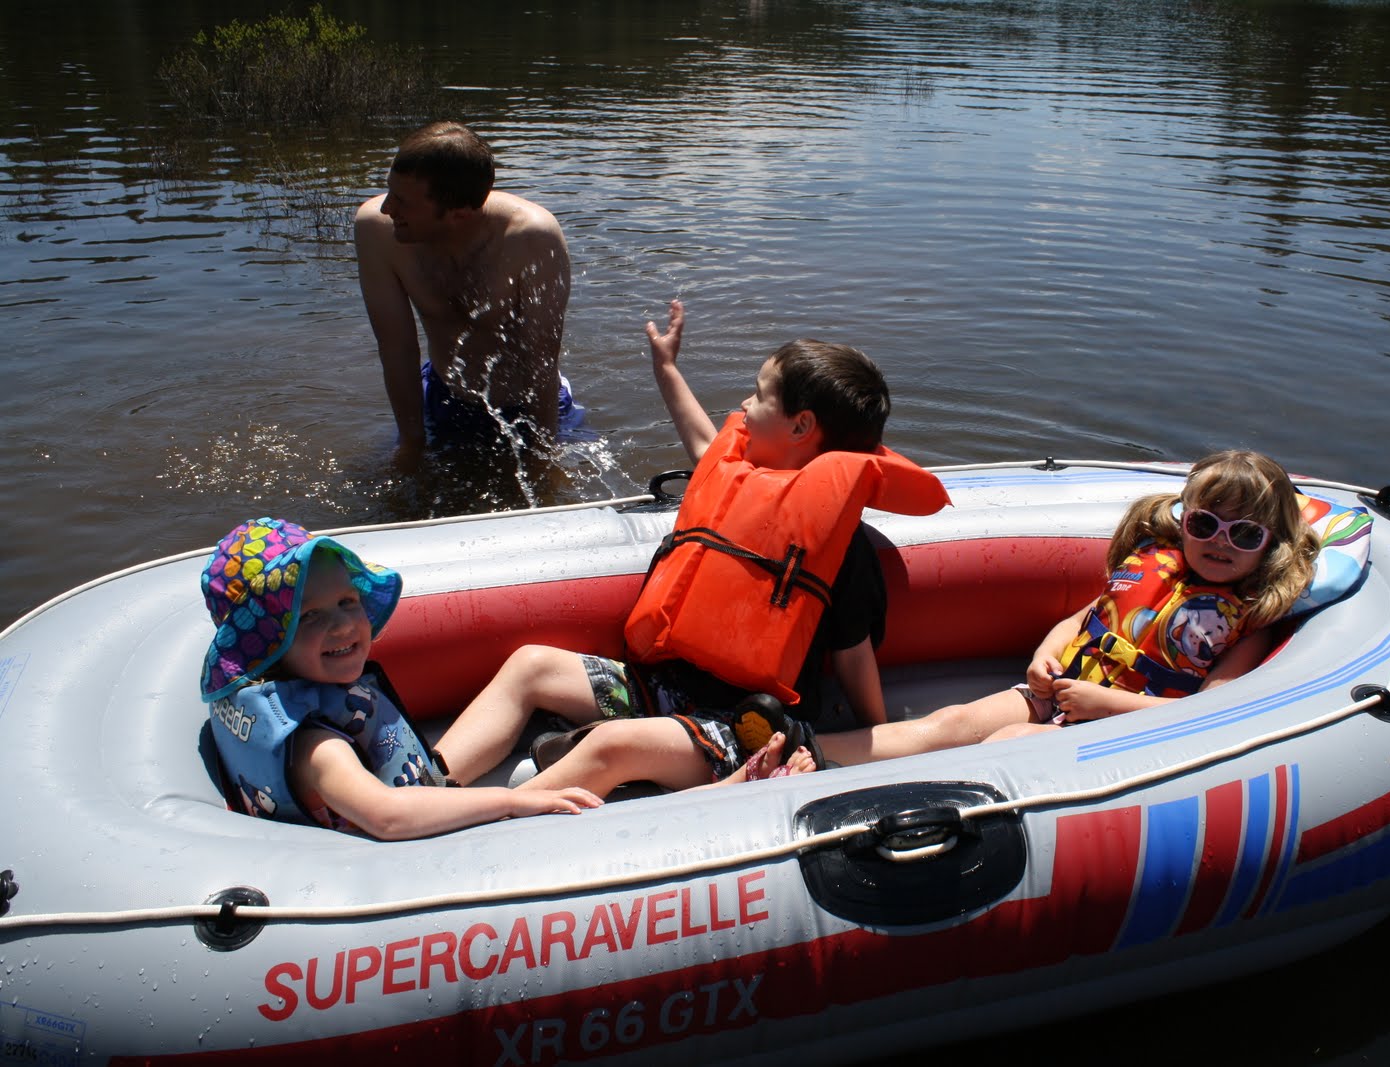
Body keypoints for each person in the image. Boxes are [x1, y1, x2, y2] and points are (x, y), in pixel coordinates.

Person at [469, 299, 949, 799]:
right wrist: (667, 368)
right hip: (665, 688)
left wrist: (874, 738)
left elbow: (853, 657)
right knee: (531, 665)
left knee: (614, 744)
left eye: (758, 395)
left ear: (800, 427)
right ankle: (433, 781)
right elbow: (706, 447)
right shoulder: (740, 477)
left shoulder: (840, 547)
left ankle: (498, 813)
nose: (743, 404)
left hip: (742, 731)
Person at [818, 450, 1322, 765]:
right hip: (1065, 691)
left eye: (1245, 534)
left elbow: (1210, 710)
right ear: (1183, 520)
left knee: (1011, 739)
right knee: (951, 722)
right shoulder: (1153, 563)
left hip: (1124, 727)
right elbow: (1079, 621)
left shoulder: (1248, 622)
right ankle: (812, 754)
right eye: (1205, 525)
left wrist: (1106, 704)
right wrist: (1044, 656)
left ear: (1271, 544)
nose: (1221, 542)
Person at [200, 518, 603, 840]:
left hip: (424, 787)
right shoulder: (315, 746)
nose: (344, 625)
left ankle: (635, 692)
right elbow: (387, 816)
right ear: (266, 644)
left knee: (530, 667)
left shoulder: (292, 698)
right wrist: (510, 802)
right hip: (427, 834)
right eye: (310, 616)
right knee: (612, 748)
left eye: (347, 601)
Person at [354, 121, 581, 471]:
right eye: (389, 191)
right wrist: (411, 443)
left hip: (527, 404)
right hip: (442, 394)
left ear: (458, 214)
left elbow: (542, 361)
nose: (387, 208)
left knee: (562, 480)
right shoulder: (377, 231)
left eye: (402, 202)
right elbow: (396, 347)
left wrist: (543, 455)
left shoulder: (531, 238)